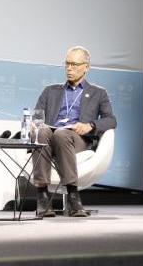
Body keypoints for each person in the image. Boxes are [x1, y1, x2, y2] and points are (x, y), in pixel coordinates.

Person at [32, 46, 117, 217]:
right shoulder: (50, 91)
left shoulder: (98, 93)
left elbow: (111, 120)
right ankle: (42, 196)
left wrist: (90, 125)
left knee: (61, 134)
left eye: (75, 64)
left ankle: (73, 195)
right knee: (42, 133)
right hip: (51, 134)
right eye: (67, 64)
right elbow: (37, 117)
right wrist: (36, 125)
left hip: (77, 138)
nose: (69, 68)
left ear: (87, 67)